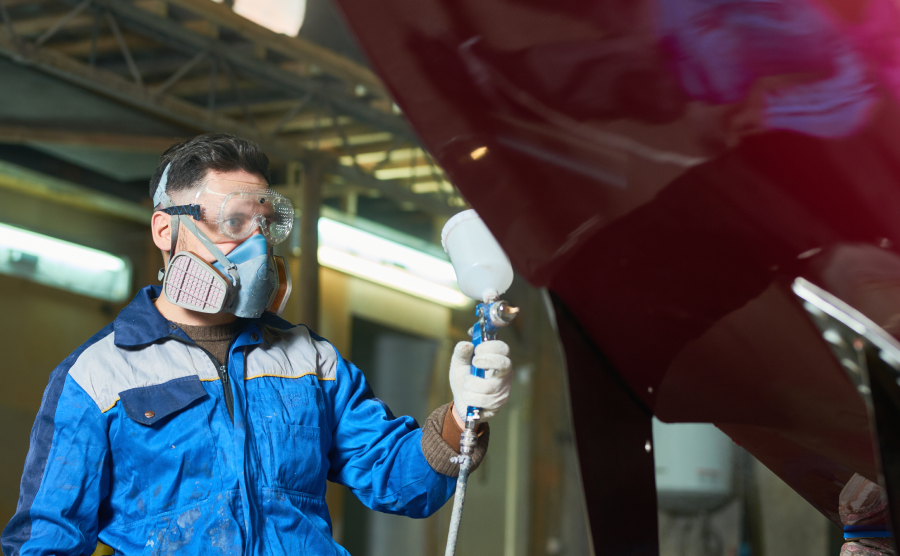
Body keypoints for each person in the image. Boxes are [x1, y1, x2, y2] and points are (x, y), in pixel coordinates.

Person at [0, 133, 512, 556]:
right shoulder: (99, 376)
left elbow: (401, 482)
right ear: (165, 228)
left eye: (264, 224)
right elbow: (45, 541)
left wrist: (463, 416)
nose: (257, 246)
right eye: (233, 223)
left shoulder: (311, 361)